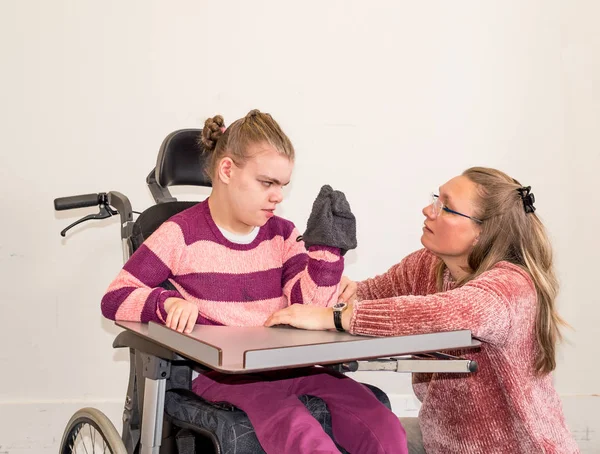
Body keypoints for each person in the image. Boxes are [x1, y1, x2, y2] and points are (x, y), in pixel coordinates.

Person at [101, 109, 407, 454]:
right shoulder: (179, 234)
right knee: (304, 437)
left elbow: (309, 308)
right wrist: (165, 302)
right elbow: (115, 297)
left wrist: (326, 257)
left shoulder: (282, 235)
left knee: (381, 424)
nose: (278, 196)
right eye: (267, 183)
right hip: (223, 376)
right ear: (227, 169)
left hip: (290, 366)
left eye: (283, 186)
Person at [266, 167, 580, 453]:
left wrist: (337, 317)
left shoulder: (511, 286)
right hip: (441, 444)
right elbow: (371, 295)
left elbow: (445, 314)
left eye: (445, 206)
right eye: (435, 199)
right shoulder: (430, 265)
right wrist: (342, 291)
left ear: (482, 232)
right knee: (349, 436)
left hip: (520, 449)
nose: (428, 210)